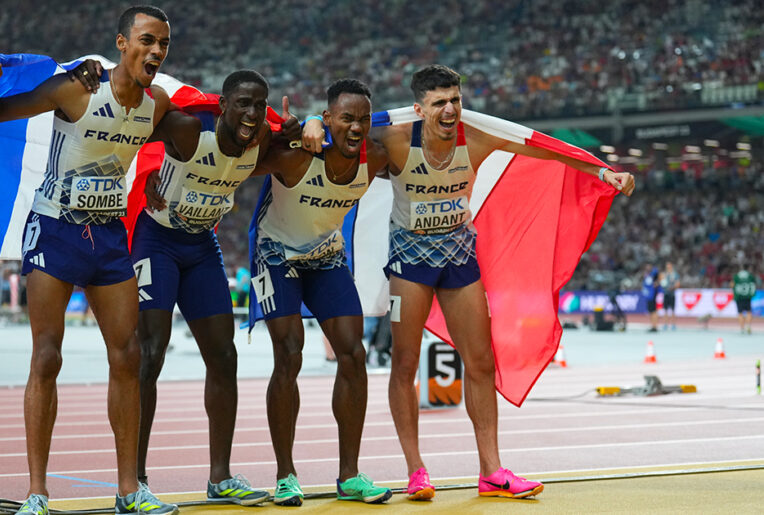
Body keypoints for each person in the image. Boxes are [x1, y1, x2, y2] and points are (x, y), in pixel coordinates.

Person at [305, 65, 634, 500]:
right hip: (410, 261)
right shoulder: (395, 136)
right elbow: (344, 124)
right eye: (439, 102)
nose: (450, 109)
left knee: (480, 362)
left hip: (460, 258)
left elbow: (543, 147)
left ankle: (492, 471)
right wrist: (312, 118)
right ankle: (417, 470)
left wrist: (599, 171)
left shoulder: (477, 135)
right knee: (404, 364)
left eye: (455, 99)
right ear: (419, 107)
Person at [0, 6, 177, 515]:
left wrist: (153, 178)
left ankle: (130, 489)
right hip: (56, 230)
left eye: (164, 45)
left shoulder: (158, 104)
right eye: (147, 40)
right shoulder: (77, 89)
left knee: (128, 355)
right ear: (121, 42)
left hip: (108, 236)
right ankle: (37, 492)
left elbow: (190, 129)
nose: (155, 51)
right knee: (47, 356)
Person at [131, 69, 299, 505]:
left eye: (260, 105)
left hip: (202, 245)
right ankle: (136, 480)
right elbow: (137, 118)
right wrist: (148, 170)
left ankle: (220, 477)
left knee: (224, 357)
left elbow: (302, 142)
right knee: (149, 353)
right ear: (221, 106)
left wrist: (306, 127)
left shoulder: (261, 141)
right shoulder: (188, 132)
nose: (252, 112)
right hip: (158, 239)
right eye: (242, 103)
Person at [253, 79, 393, 506]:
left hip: (326, 257)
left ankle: (349, 475)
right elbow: (239, 160)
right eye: (346, 118)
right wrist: (297, 126)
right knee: (289, 352)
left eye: (363, 120)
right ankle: (285, 475)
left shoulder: (376, 159)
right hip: (276, 256)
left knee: (354, 354)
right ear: (329, 119)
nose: (356, 128)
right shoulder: (295, 159)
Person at [732, 266, 758, 335]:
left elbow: (732, 285)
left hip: (739, 297)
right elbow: (753, 285)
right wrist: (752, 294)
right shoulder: (750, 276)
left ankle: (742, 328)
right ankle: (748, 325)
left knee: (740, 313)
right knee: (749, 312)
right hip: (747, 297)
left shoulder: (736, 276)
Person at [661, 261, 680, 330]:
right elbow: (662, 282)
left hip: (672, 294)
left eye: (669, 266)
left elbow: (678, 284)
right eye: (667, 266)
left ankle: (673, 324)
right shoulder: (664, 274)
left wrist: (672, 287)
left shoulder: (675, 275)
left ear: (672, 266)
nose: (668, 267)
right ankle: (665, 324)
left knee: (672, 310)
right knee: (665, 310)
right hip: (666, 294)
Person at [642, 264, 661, 333]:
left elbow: (658, 280)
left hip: (652, 295)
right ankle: (653, 326)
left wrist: (656, 284)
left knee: (654, 311)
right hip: (649, 296)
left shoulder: (654, 274)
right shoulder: (647, 275)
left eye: (649, 266)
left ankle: (655, 326)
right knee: (651, 311)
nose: (647, 268)